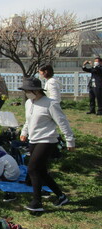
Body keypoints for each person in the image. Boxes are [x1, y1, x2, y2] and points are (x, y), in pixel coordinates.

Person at [19, 77, 75, 212]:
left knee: (32, 169)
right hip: (33, 140)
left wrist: (70, 140)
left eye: (28, 90)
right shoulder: (29, 103)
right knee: (42, 171)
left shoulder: (50, 103)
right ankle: (61, 196)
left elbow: (62, 122)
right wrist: (24, 132)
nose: (27, 92)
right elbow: (28, 120)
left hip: (47, 140)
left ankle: (37, 202)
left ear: (37, 90)